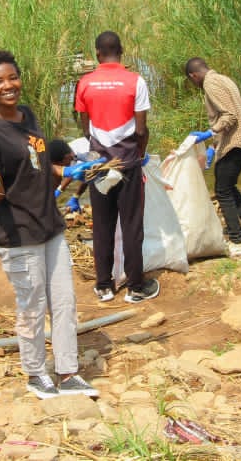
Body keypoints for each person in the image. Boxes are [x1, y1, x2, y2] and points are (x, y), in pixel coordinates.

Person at [0, 50, 100, 399]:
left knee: (64, 302)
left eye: (12, 77)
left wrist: (65, 171)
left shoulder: (28, 116)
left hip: (49, 224)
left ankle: (68, 372)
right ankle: (35, 373)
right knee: (32, 304)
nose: (8, 85)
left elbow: (36, 164)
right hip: (18, 232)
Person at [74, 31, 159, 303]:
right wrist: (139, 155)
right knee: (132, 225)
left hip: (99, 165)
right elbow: (142, 129)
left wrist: (97, 152)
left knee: (102, 225)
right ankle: (135, 287)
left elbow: (86, 126)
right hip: (128, 163)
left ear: (97, 53)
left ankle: (104, 285)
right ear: (121, 51)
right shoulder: (136, 81)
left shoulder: (85, 83)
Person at [184, 58, 241, 258]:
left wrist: (209, 132)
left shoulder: (210, 83)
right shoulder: (223, 78)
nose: (194, 84)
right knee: (228, 186)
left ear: (193, 76)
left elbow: (229, 115)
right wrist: (214, 146)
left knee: (222, 190)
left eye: (192, 81)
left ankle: (237, 240)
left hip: (236, 142)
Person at [47, 139, 88, 216]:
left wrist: (76, 196)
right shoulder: (62, 150)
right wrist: (59, 190)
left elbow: (89, 177)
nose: (61, 168)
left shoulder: (85, 157)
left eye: (61, 166)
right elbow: (69, 173)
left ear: (66, 157)